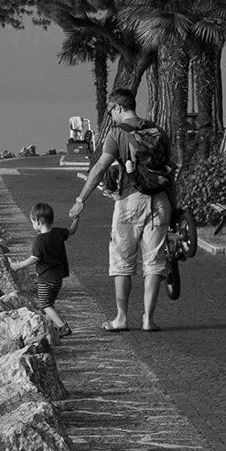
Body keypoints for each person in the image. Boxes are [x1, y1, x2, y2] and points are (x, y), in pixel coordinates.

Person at [69, 87, 173, 332]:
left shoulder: (117, 134)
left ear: (117, 108)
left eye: (110, 112)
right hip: (159, 202)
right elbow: (171, 173)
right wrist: (175, 208)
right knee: (154, 263)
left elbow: (99, 169)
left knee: (122, 262)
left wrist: (81, 199)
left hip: (129, 202)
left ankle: (122, 318)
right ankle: (148, 319)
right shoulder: (158, 131)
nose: (111, 117)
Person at [10, 200, 79, 338]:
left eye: (32, 221)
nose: (32, 224)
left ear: (38, 221)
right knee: (49, 303)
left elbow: (34, 258)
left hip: (45, 278)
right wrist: (77, 218)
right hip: (58, 278)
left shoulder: (39, 240)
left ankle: (63, 327)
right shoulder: (59, 232)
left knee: (45, 305)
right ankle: (52, 327)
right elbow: (72, 231)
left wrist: (18, 265)